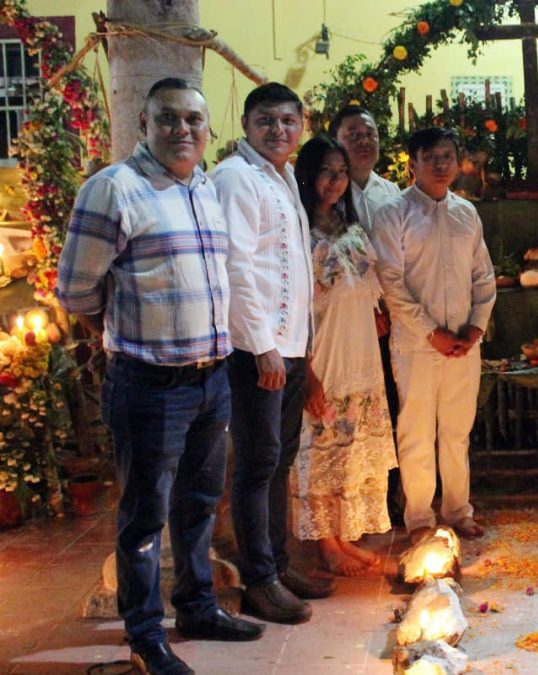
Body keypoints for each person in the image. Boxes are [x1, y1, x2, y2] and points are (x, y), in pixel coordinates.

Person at [57, 77, 263, 675]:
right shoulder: (114, 190)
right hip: (149, 385)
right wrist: (117, 329)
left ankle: (198, 607)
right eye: (168, 119)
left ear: (207, 130)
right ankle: (145, 636)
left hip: (210, 379)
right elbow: (75, 290)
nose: (182, 130)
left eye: (194, 121)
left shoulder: (203, 188)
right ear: (145, 124)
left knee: (199, 504)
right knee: (145, 517)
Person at [212, 82, 331, 625]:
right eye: (267, 121)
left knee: (280, 460)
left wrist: (297, 350)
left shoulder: (279, 177)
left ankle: (278, 567)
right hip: (258, 350)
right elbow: (237, 267)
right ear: (246, 124)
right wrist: (263, 349)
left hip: (288, 347)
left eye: (288, 121)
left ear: (300, 125)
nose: (278, 130)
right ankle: (259, 579)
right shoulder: (236, 178)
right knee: (258, 464)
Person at [372, 127, 496, 543]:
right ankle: (421, 518)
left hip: (464, 342)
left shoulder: (466, 214)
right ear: (414, 164)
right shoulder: (393, 213)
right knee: (417, 430)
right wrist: (431, 333)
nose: (442, 165)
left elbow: (483, 275)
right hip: (416, 346)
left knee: (458, 429)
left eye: (448, 156)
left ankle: (459, 509)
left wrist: (476, 325)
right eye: (432, 157)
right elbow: (390, 283)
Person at [292, 135, 397, 576]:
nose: (334, 182)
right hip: (325, 356)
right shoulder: (300, 233)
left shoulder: (351, 227)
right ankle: (327, 544)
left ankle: (347, 534)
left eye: (340, 173)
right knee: (321, 450)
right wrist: (307, 377)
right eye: (325, 172)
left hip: (361, 356)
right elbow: (295, 308)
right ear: (308, 176)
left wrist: (375, 314)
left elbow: (365, 285)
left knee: (354, 450)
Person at [329, 105, 401, 235]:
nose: (364, 141)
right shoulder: (327, 192)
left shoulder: (392, 192)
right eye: (353, 134)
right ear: (334, 141)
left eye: (370, 134)